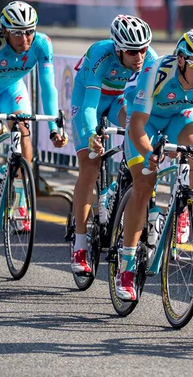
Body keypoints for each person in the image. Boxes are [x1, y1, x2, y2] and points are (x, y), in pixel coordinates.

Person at [114, 28, 193, 300]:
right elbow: (135, 125)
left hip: (179, 115)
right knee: (144, 184)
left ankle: (181, 205)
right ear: (181, 60)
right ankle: (126, 266)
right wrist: (149, 153)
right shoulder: (155, 72)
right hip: (145, 119)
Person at [0, 1, 68, 229]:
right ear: (5, 30)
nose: (25, 39)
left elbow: (48, 88)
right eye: (18, 33)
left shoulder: (42, 44)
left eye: (30, 32)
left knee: (23, 130)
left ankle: (18, 200)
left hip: (12, 86)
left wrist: (54, 129)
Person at [70, 14, 158, 274]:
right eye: (132, 52)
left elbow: (144, 108)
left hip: (120, 100)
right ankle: (81, 244)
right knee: (90, 164)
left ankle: (120, 190)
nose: (139, 57)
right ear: (118, 49)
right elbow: (88, 107)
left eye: (142, 49)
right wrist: (91, 137)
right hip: (90, 101)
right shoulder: (100, 54)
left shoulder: (150, 59)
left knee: (138, 129)